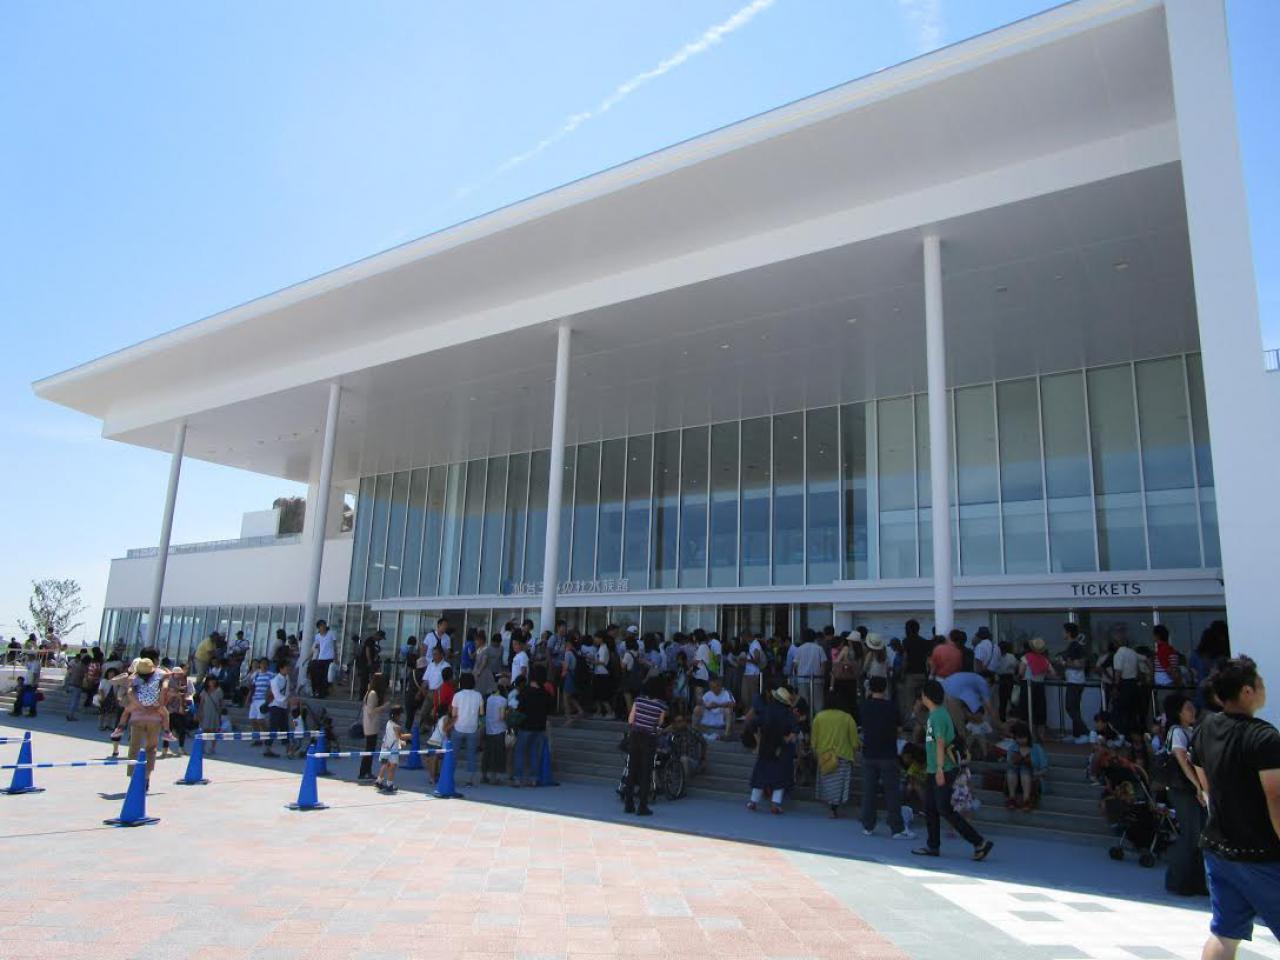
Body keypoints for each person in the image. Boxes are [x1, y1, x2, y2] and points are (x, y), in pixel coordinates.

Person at [1190, 657, 1280, 957]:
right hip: (1261, 854)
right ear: (1246, 691)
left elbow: (1206, 785)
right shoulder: (1263, 737)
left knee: (1225, 933)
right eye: (1260, 683)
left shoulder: (1205, 728)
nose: (1264, 688)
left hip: (1218, 848)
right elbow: (1276, 797)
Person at [912, 680, 993, 861]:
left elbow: (940, 742)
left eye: (923, 695)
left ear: (927, 696)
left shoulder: (937, 717)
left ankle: (979, 842)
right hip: (936, 768)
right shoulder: (937, 714)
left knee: (944, 808)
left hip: (942, 769)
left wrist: (939, 769)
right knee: (931, 807)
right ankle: (933, 845)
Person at [1161, 693, 1206, 896]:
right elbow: (1182, 761)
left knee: (1200, 836)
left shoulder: (1192, 730)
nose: (1192, 711)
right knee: (1190, 836)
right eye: (1188, 708)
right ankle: (1177, 881)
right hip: (1183, 790)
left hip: (1194, 789)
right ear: (1178, 712)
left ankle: (1197, 882)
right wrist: (1198, 787)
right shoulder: (1177, 732)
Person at [859, 676, 913, 838]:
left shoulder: (864, 706)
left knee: (869, 791)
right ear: (885, 688)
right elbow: (899, 728)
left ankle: (867, 825)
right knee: (892, 792)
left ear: (870, 688)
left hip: (869, 752)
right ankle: (896, 827)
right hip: (888, 753)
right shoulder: (891, 707)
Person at [747, 688, 798, 815]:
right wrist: (787, 739)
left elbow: (753, 724)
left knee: (760, 774)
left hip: (765, 746)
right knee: (780, 777)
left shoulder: (766, 710)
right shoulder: (788, 714)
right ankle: (775, 804)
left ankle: (753, 801)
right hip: (781, 748)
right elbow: (795, 731)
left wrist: (758, 741)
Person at [624, 677, 668, 816]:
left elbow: (630, 719)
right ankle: (642, 806)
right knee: (646, 772)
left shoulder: (638, 700)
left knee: (632, 769)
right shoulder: (662, 705)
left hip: (635, 736)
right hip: (649, 739)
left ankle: (628, 803)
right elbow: (659, 723)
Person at [811, 692, 859, 818]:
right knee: (840, 785)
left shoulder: (819, 717)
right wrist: (854, 752)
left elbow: (814, 739)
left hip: (824, 756)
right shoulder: (847, 718)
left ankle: (831, 807)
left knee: (828, 784)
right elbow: (854, 741)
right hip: (843, 755)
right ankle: (835, 807)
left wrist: (815, 752)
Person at [124, 658, 165, 789]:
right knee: (151, 749)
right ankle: (146, 777)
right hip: (155, 718)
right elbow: (165, 691)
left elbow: (129, 694)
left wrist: (141, 706)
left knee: (134, 747)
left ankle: (133, 777)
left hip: (138, 717)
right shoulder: (159, 678)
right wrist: (158, 705)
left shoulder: (134, 679)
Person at [1018, 637, 1056, 741]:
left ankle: (1028, 734)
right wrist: (1043, 675)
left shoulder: (1026, 657)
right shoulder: (1045, 660)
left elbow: (1021, 672)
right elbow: (1053, 674)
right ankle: (1041, 735)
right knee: (1040, 710)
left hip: (1027, 685)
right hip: (1040, 685)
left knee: (1025, 710)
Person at [1004, 721, 1048, 810]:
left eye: (1023, 737)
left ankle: (1026, 800)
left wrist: (1036, 773)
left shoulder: (1036, 748)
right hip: (1016, 777)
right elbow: (1009, 765)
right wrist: (1015, 761)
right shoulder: (1013, 748)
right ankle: (1012, 798)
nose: (1021, 740)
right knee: (1012, 771)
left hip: (1033, 777)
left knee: (1024, 771)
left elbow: (1045, 769)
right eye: (1018, 738)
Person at [450, 672, 484, 787]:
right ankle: (469, 780)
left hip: (458, 726)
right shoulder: (478, 695)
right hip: (472, 728)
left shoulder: (457, 695)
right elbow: (481, 713)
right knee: (471, 755)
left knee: (453, 754)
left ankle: (449, 776)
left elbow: (454, 714)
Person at [358, 673, 391, 782]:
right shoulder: (372, 694)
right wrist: (384, 706)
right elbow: (371, 711)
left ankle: (366, 771)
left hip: (371, 724)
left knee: (370, 749)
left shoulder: (371, 692)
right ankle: (364, 772)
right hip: (370, 724)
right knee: (369, 749)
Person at [1060, 623, 1090, 743]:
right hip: (1074, 680)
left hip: (1075, 681)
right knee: (1075, 708)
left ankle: (1086, 733)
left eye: (1063, 631)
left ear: (1068, 633)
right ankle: (1077, 734)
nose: (1062, 633)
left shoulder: (1076, 646)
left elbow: (1081, 664)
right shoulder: (1073, 646)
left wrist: (1064, 663)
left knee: (1070, 707)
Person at [377, 705, 410, 794]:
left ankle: (379, 781)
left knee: (385, 764)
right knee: (392, 766)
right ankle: (389, 784)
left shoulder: (389, 722)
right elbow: (399, 736)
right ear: (397, 715)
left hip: (385, 746)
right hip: (392, 749)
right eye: (400, 714)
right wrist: (410, 735)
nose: (401, 716)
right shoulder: (396, 726)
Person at [482, 677, 509, 785]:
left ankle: (484, 775)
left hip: (489, 728)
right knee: (497, 754)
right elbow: (502, 717)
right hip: (499, 729)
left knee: (487, 753)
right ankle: (494, 777)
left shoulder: (489, 699)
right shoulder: (503, 700)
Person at [262, 661, 292, 758]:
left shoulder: (287, 678)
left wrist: (287, 704)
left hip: (283, 706)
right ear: (281, 669)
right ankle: (268, 748)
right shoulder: (275, 681)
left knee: (285, 727)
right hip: (275, 706)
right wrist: (288, 700)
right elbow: (277, 696)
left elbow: (287, 691)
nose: (288, 670)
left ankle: (288, 748)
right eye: (286, 668)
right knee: (273, 727)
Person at [693, 675, 736, 740]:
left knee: (728, 710)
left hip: (721, 717)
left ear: (720, 685)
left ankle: (727, 734)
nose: (715, 688)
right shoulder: (708, 694)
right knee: (697, 708)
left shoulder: (726, 692)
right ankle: (694, 731)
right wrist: (706, 705)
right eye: (712, 687)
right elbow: (700, 704)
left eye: (717, 686)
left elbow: (733, 704)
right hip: (709, 716)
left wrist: (718, 705)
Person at [196, 676, 224, 754]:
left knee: (213, 731)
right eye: (211, 681)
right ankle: (203, 747)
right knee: (204, 730)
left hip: (214, 713)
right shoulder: (204, 691)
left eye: (214, 680)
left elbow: (221, 702)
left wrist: (220, 713)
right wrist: (199, 713)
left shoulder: (219, 690)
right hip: (205, 713)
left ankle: (213, 748)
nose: (212, 682)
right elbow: (201, 703)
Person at [311, 619, 335, 698]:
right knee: (319, 676)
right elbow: (317, 647)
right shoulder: (317, 636)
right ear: (318, 627)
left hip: (329, 658)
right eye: (321, 625)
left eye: (324, 625)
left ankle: (324, 692)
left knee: (326, 676)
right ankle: (319, 691)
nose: (323, 627)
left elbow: (334, 646)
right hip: (321, 658)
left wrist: (336, 657)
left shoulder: (331, 634)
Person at [64, 652, 88, 721]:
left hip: (71, 684)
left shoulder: (75, 665)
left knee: (72, 701)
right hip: (77, 686)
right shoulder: (84, 668)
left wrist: (66, 684)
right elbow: (85, 678)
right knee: (74, 702)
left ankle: (70, 714)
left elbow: (69, 674)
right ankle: (70, 716)